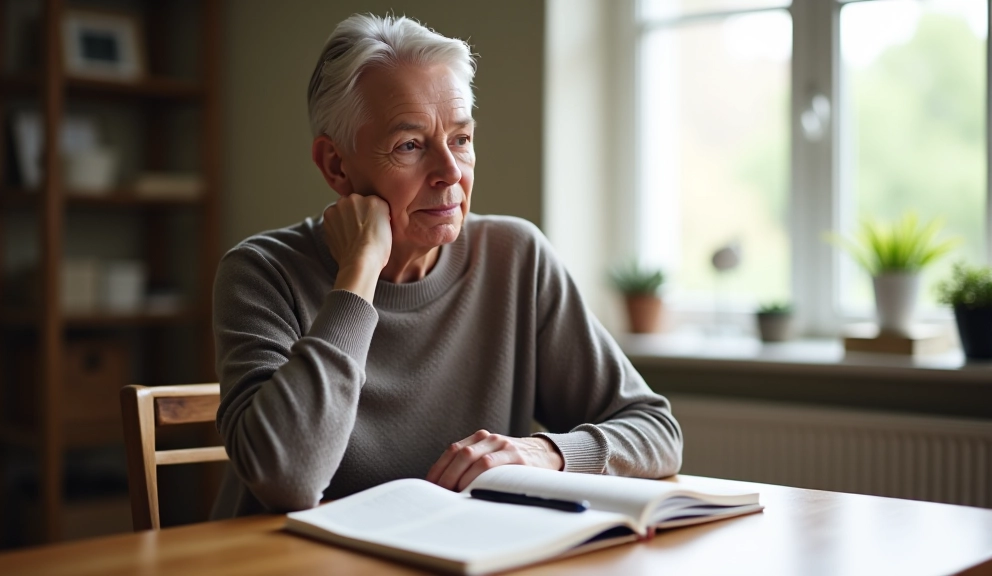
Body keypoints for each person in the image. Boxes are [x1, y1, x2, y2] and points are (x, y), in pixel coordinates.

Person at [210, 13, 682, 519]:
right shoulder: (260, 273)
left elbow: (656, 431)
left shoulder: (514, 257)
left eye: (460, 139)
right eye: (410, 145)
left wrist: (544, 452)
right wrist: (359, 276)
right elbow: (289, 480)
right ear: (335, 165)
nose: (450, 172)